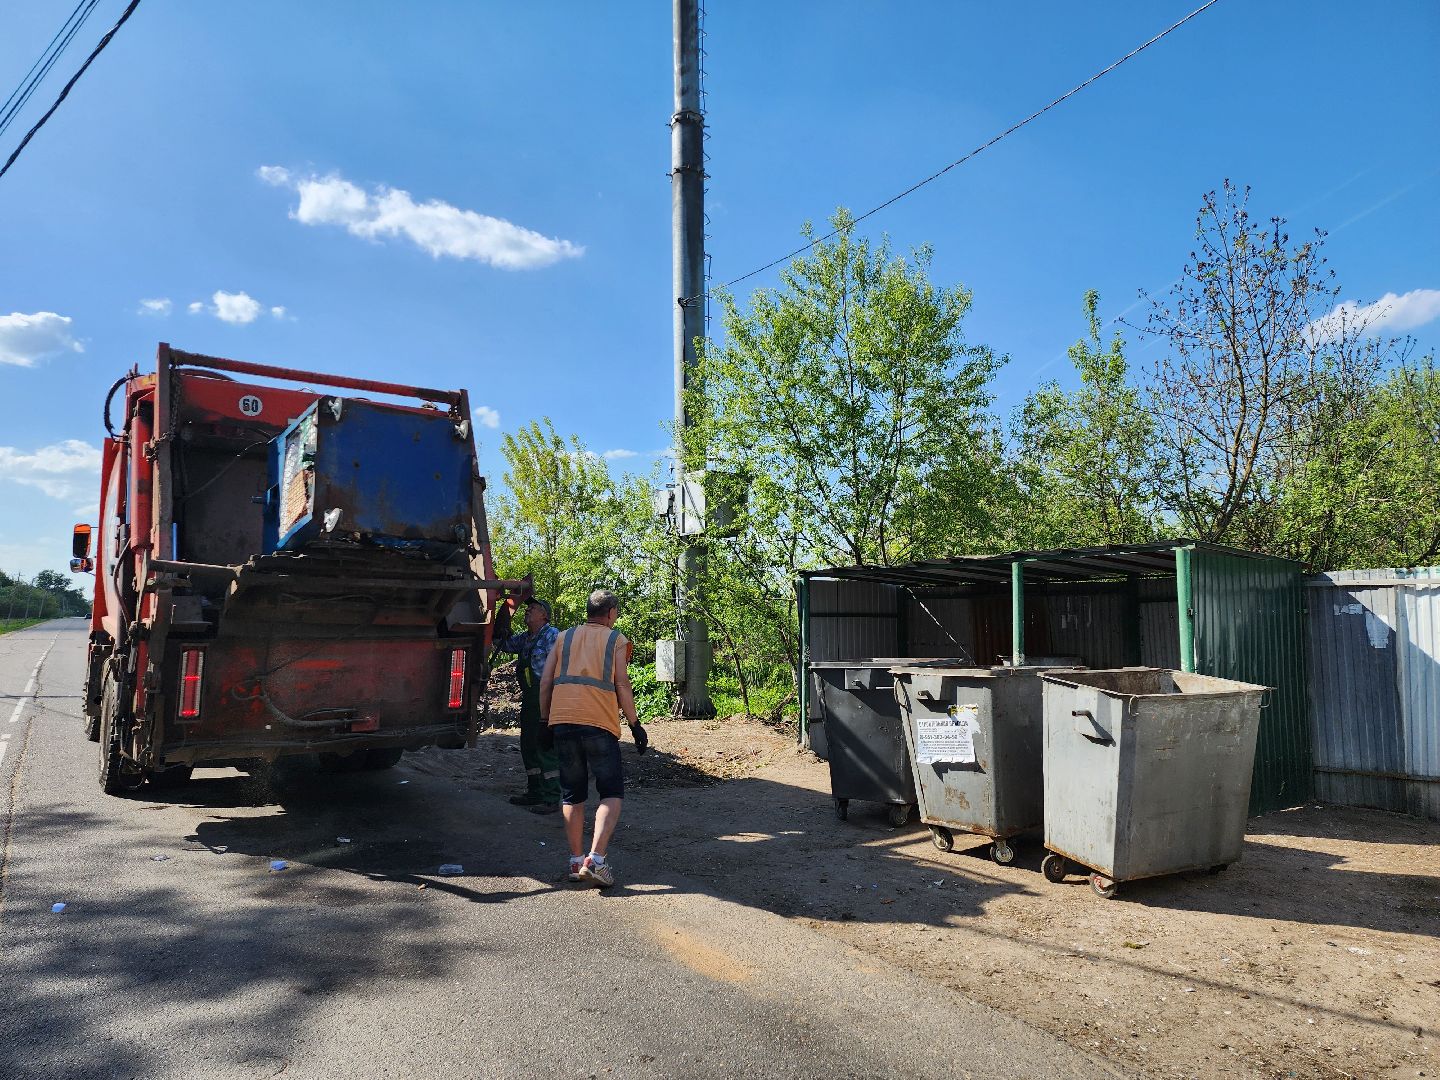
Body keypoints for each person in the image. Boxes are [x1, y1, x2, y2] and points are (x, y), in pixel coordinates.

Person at [539, 588, 648, 888]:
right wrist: (635, 724)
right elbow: (622, 684)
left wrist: (544, 721)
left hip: (563, 721)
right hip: (599, 723)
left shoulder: (564, 637)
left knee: (572, 794)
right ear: (611, 613)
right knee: (611, 792)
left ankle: (576, 861)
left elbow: (546, 680)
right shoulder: (616, 639)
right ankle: (596, 860)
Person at [493, 597, 562, 813]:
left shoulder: (552, 635)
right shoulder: (525, 638)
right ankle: (535, 792)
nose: (528, 610)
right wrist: (502, 617)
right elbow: (502, 643)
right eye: (528, 607)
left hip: (547, 697)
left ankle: (551, 797)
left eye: (533, 608)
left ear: (544, 615)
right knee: (529, 745)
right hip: (530, 699)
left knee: (544, 745)